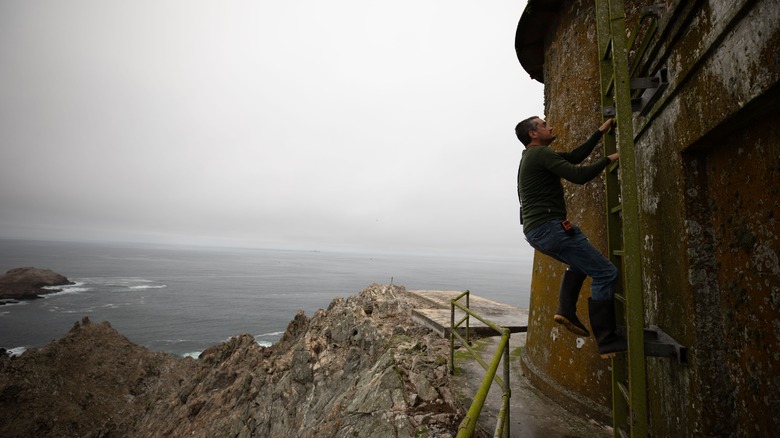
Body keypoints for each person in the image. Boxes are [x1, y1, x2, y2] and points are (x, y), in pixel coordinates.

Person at [515, 116, 626, 358]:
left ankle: (566, 310)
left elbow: (574, 157)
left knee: (579, 264)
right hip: (550, 227)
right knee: (606, 273)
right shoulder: (541, 155)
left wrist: (599, 132)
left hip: (536, 232)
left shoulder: (532, 157)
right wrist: (609, 159)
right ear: (533, 134)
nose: (550, 126)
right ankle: (607, 341)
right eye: (544, 124)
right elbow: (579, 175)